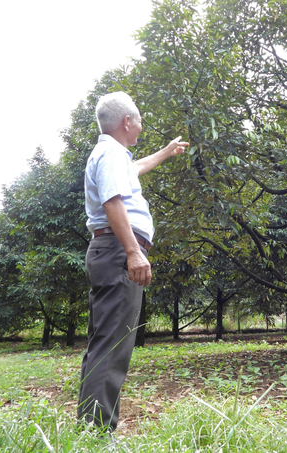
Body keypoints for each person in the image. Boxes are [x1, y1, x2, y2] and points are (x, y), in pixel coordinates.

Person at [78, 91, 188, 432]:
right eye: (139, 121)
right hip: (116, 251)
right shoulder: (110, 154)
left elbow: (136, 168)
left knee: (105, 343)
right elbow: (113, 202)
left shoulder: (114, 156)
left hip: (108, 251)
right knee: (112, 347)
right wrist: (133, 251)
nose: (141, 127)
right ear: (127, 121)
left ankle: (90, 430)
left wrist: (167, 152)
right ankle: (97, 434)